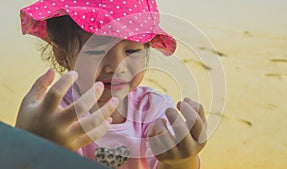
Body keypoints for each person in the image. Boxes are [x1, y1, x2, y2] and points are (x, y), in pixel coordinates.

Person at [16, 0, 207, 168]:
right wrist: (34, 143)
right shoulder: (52, 116)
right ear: (61, 54)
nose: (117, 67)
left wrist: (181, 162)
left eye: (131, 51)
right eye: (97, 51)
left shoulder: (153, 109)